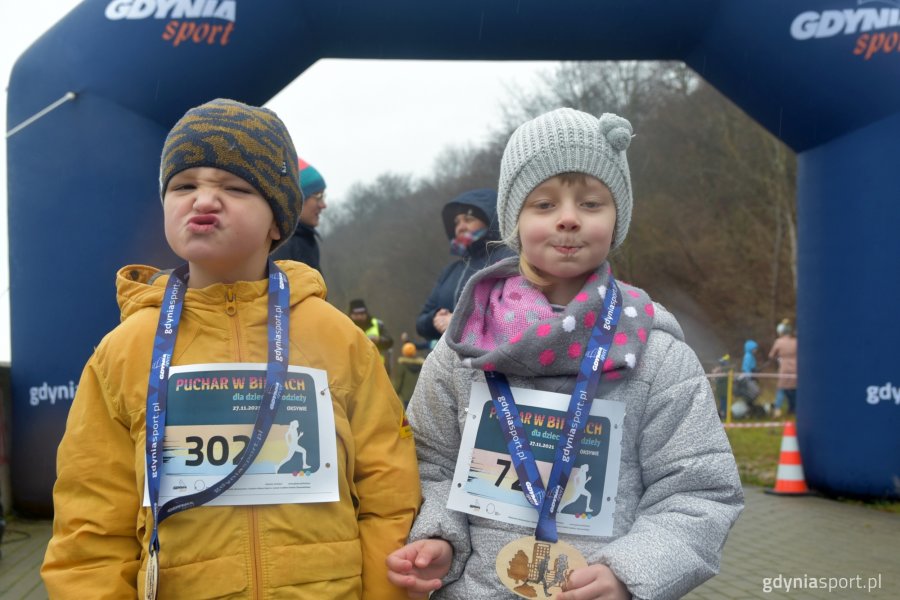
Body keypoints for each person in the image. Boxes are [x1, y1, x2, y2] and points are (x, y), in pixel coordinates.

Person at [41, 98, 420, 599]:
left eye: (236, 188)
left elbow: (389, 495)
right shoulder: (123, 351)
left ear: (278, 223)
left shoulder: (338, 338)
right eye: (183, 186)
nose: (202, 200)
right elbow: (90, 528)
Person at [387, 108, 743, 599]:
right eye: (544, 204)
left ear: (618, 218)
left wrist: (629, 572)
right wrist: (439, 537)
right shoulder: (462, 350)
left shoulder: (658, 356)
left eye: (592, 202)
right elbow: (429, 464)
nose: (569, 217)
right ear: (514, 220)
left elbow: (699, 490)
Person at [416, 189, 514, 343]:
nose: (460, 227)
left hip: (491, 364)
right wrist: (435, 318)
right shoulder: (450, 271)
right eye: (457, 222)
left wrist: (459, 323)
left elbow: (518, 316)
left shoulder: (508, 258)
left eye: (468, 219)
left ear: (491, 220)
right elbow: (420, 323)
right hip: (449, 362)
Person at [270, 157, 327, 275]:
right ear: (296, 200)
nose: (323, 205)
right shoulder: (281, 248)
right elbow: (278, 294)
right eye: (317, 195)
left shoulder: (304, 239)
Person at [349, 299, 394, 373]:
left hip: (376, 369)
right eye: (356, 315)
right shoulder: (346, 326)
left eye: (362, 314)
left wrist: (379, 340)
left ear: (366, 313)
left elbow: (390, 341)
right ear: (351, 315)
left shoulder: (378, 324)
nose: (360, 317)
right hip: (353, 370)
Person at [769, 319, 798, 417]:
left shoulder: (779, 342)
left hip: (784, 368)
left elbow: (771, 355)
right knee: (794, 390)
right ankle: (793, 408)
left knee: (781, 389)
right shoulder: (796, 341)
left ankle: (777, 409)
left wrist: (778, 357)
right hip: (795, 368)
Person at [393, 342, 425, 408]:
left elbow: (399, 382)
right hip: (419, 396)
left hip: (407, 397)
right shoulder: (422, 365)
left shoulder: (402, 365)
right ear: (415, 352)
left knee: (409, 416)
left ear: (403, 352)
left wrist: (394, 394)